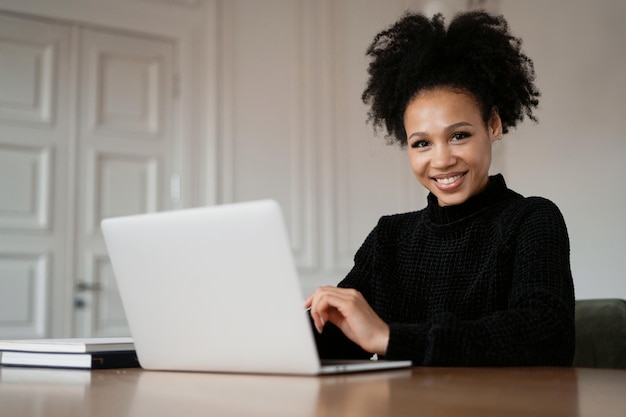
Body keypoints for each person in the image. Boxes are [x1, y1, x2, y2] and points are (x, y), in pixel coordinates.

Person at [305, 10, 575, 366]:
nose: (442, 159)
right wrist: (296, 331)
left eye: (459, 136)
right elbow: (340, 338)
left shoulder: (532, 220)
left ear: (493, 124)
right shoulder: (390, 239)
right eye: (421, 143)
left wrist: (390, 338)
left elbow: (545, 335)